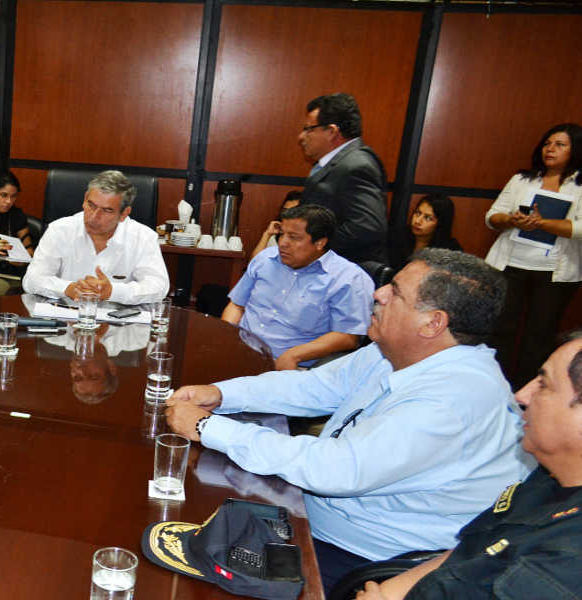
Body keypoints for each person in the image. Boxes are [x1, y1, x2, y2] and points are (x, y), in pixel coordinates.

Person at [165, 249, 532, 593]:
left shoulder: (455, 399)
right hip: (317, 515)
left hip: (370, 556)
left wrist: (207, 428)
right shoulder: (398, 351)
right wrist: (221, 394)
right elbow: (312, 387)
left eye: (395, 292)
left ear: (432, 323)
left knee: (189, 574)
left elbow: (335, 470)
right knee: (185, 525)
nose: (378, 293)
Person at [356, 332, 582, 599]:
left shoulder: (569, 562)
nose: (522, 395)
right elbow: (469, 552)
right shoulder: (550, 476)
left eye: (544, 385)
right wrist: (385, 593)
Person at [485, 123, 582, 387]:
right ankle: (493, 386)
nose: (550, 149)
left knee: (539, 337)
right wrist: (512, 219)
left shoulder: (579, 186)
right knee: (500, 331)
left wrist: (543, 224)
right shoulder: (521, 180)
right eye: (547, 143)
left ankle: (526, 392)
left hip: (555, 274)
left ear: (575, 150)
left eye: (559, 145)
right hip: (510, 266)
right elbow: (492, 217)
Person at [223, 205, 374, 370]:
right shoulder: (265, 258)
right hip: (240, 352)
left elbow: (348, 336)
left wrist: (294, 355)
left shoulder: (349, 279)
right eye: (282, 234)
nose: (282, 243)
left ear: (320, 243)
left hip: (291, 366)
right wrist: (226, 337)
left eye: (293, 237)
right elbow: (237, 306)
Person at [23, 170, 169, 304]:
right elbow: (32, 279)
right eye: (91, 205)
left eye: (107, 210)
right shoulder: (60, 230)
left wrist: (113, 291)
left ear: (124, 214)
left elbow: (159, 286)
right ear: (85, 199)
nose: (94, 217)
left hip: (118, 319)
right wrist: (68, 288)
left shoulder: (143, 237)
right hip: (65, 316)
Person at [298, 93, 388, 266]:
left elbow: (367, 227)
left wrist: (313, 244)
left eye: (308, 129)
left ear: (332, 131)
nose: (301, 137)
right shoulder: (339, 162)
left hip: (345, 272)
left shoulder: (357, 166)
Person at [388, 193, 463, 269]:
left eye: (428, 218)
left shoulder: (450, 250)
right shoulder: (397, 237)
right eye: (418, 213)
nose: (417, 221)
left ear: (441, 223)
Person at [250, 190, 301, 259]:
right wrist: (267, 234)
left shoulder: (307, 239)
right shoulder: (275, 236)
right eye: (285, 211)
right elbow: (255, 263)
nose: (288, 215)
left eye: (293, 211)